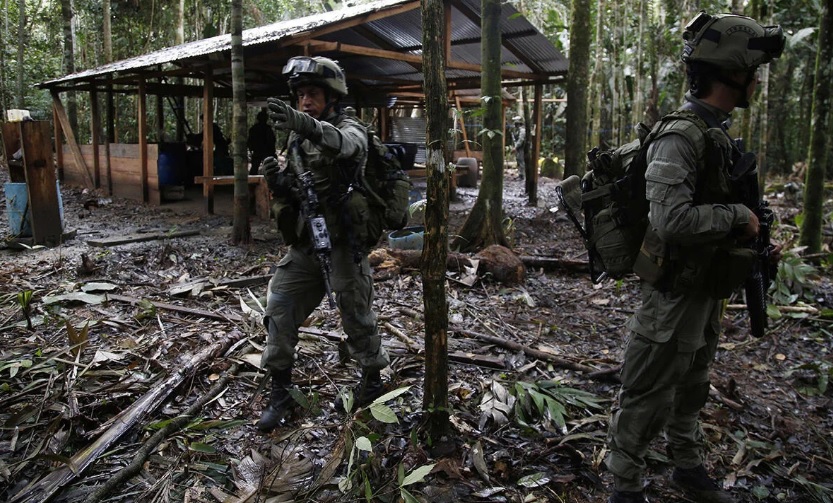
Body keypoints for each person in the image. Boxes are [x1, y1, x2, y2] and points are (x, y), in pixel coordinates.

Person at [604, 12, 784, 503]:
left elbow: (733, 205)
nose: (756, 83)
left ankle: (686, 463)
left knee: (693, 383)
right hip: (672, 292)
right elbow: (671, 221)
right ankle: (625, 483)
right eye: (753, 73)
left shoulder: (717, 133)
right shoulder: (680, 135)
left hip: (705, 288)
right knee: (647, 390)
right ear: (731, 72)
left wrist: (758, 234)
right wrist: (736, 215)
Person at [256, 56, 389, 433]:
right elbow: (302, 186)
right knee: (279, 308)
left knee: (357, 317)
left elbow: (347, 147)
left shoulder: (351, 128)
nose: (305, 101)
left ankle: (371, 383)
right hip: (307, 246)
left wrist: (306, 125)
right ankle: (280, 392)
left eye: (312, 93)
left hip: (345, 244)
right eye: (300, 95)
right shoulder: (297, 137)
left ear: (331, 96)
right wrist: (280, 182)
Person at [247, 109, 276, 176]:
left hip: (262, 151)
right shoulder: (264, 129)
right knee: (257, 168)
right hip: (262, 151)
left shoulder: (254, 129)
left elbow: (249, 141)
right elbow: (272, 140)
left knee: (257, 168)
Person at [511, 116, 526, 180]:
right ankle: (520, 174)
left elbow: (520, 140)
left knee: (521, 161)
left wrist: (515, 147)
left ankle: (522, 175)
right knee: (518, 160)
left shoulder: (522, 130)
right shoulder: (517, 130)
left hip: (522, 148)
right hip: (519, 148)